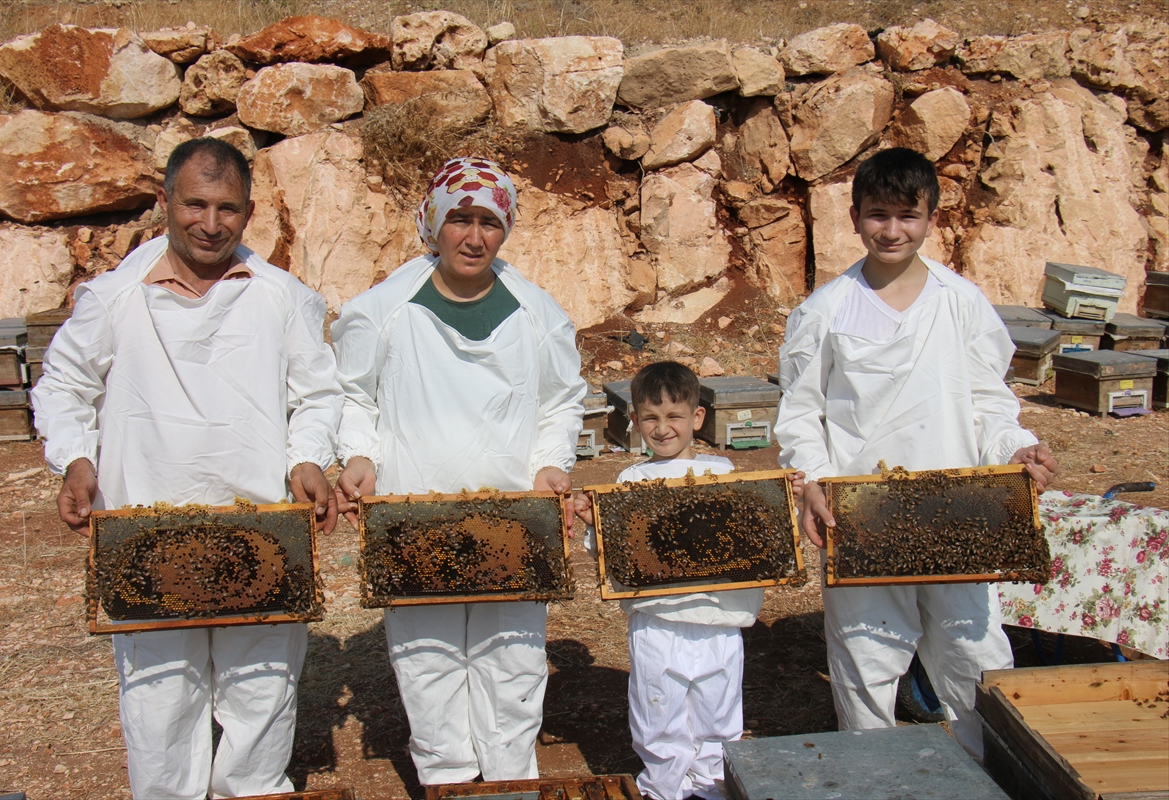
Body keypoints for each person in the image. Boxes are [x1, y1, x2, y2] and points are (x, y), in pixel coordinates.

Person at [31, 138, 342, 800]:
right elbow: (63, 385)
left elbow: (316, 393)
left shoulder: (282, 297)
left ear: (249, 212)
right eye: (195, 204)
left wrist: (308, 457)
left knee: (261, 697)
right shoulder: (114, 297)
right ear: (165, 202)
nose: (210, 223)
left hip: (261, 534)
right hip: (145, 538)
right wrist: (76, 458)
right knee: (159, 707)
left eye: (227, 208)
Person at [775, 147, 1058, 760]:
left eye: (908, 215)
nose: (892, 230)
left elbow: (989, 401)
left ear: (932, 218)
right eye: (878, 214)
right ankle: (873, 774)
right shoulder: (824, 311)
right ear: (854, 219)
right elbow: (800, 413)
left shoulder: (962, 303)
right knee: (866, 657)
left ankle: (992, 770)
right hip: (861, 513)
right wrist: (815, 482)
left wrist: (1018, 448)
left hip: (958, 511)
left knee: (973, 655)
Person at [332, 157, 586, 785]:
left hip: (514, 521)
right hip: (413, 514)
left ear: (507, 230)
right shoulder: (383, 309)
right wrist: (359, 453)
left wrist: (550, 466)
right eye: (460, 220)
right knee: (428, 661)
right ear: (433, 222)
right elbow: (352, 393)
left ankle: (508, 783)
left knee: (515, 662)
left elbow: (561, 400)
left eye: (490, 223)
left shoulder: (538, 312)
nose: (474, 237)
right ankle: (447, 780)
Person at [575, 361, 763, 800]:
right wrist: (592, 525)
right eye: (651, 418)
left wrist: (783, 495)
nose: (662, 429)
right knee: (658, 716)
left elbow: (760, 538)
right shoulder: (630, 479)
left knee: (718, 716)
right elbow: (613, 553)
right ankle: (663, 790)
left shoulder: (724, 473)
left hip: (719, 620)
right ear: (635, 421)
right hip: (657, 622)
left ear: (697, 418)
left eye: (673, 416)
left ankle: (712, 789)